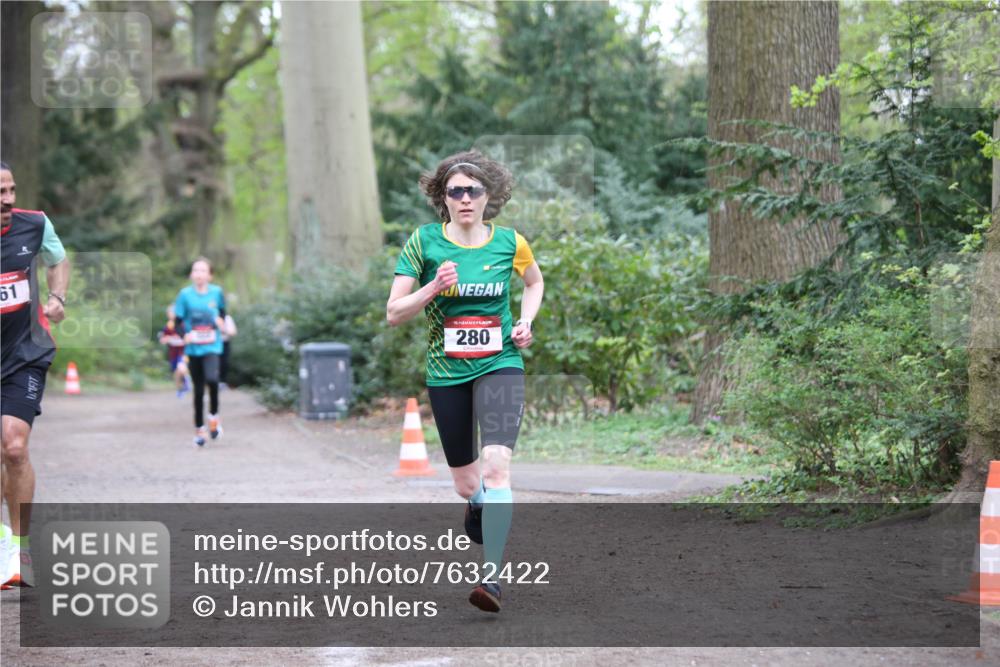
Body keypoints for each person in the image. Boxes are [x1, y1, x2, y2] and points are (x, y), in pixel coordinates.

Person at [386, 150, 544, 613]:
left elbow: (534, 283)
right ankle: (475, 502)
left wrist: (525, 322)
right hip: (447, 371)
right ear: (444, 198)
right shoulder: (424, 242)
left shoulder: (510, 242)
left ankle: (491, 578)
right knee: (466, 481)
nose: (465, 198)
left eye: (473, 190)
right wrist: (434, 286)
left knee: (497, 465)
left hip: (500, 363)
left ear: (488, 195)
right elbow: (394, 312)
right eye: (455, 191)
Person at [0, 161, 70, 589]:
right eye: (0, 193)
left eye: (10, 190)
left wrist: (58, 297)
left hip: (25, 352)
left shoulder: (35, 224)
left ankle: (20, 549)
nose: (7, 199)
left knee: (13, 446)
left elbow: (57, 260)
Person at [173, 258, 226, 447]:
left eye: (203, 271)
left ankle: (213, 417)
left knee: (212, 379)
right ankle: (199, 429)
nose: (199, 274)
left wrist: (220, 321)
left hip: (212, 346)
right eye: (196, 270)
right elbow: (177, 322)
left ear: (210, 275)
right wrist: (184, 335)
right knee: (198, 390)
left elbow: (222, 313)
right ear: (191, 274)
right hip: (194, 348)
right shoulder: (185, 295)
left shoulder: (217, 292)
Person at [158, 304, 190, 398]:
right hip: (173, 353)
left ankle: (187, 382)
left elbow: (188, 338)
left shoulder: (184, 324)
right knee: (176, 372)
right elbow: (162, 339)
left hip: (183, 352)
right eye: (168, 313)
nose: (169, 314)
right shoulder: (168, 325)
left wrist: (179, 339)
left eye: (171, 312)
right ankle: (180, 388)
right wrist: (166, 339)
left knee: (181, 368)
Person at [219, 313, 237, 389]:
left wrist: (223, 329)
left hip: (224, 343)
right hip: (210, 344)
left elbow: (233, 332)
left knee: (224, 363)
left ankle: (222, 382)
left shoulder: (227, 318)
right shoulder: (209, 315)